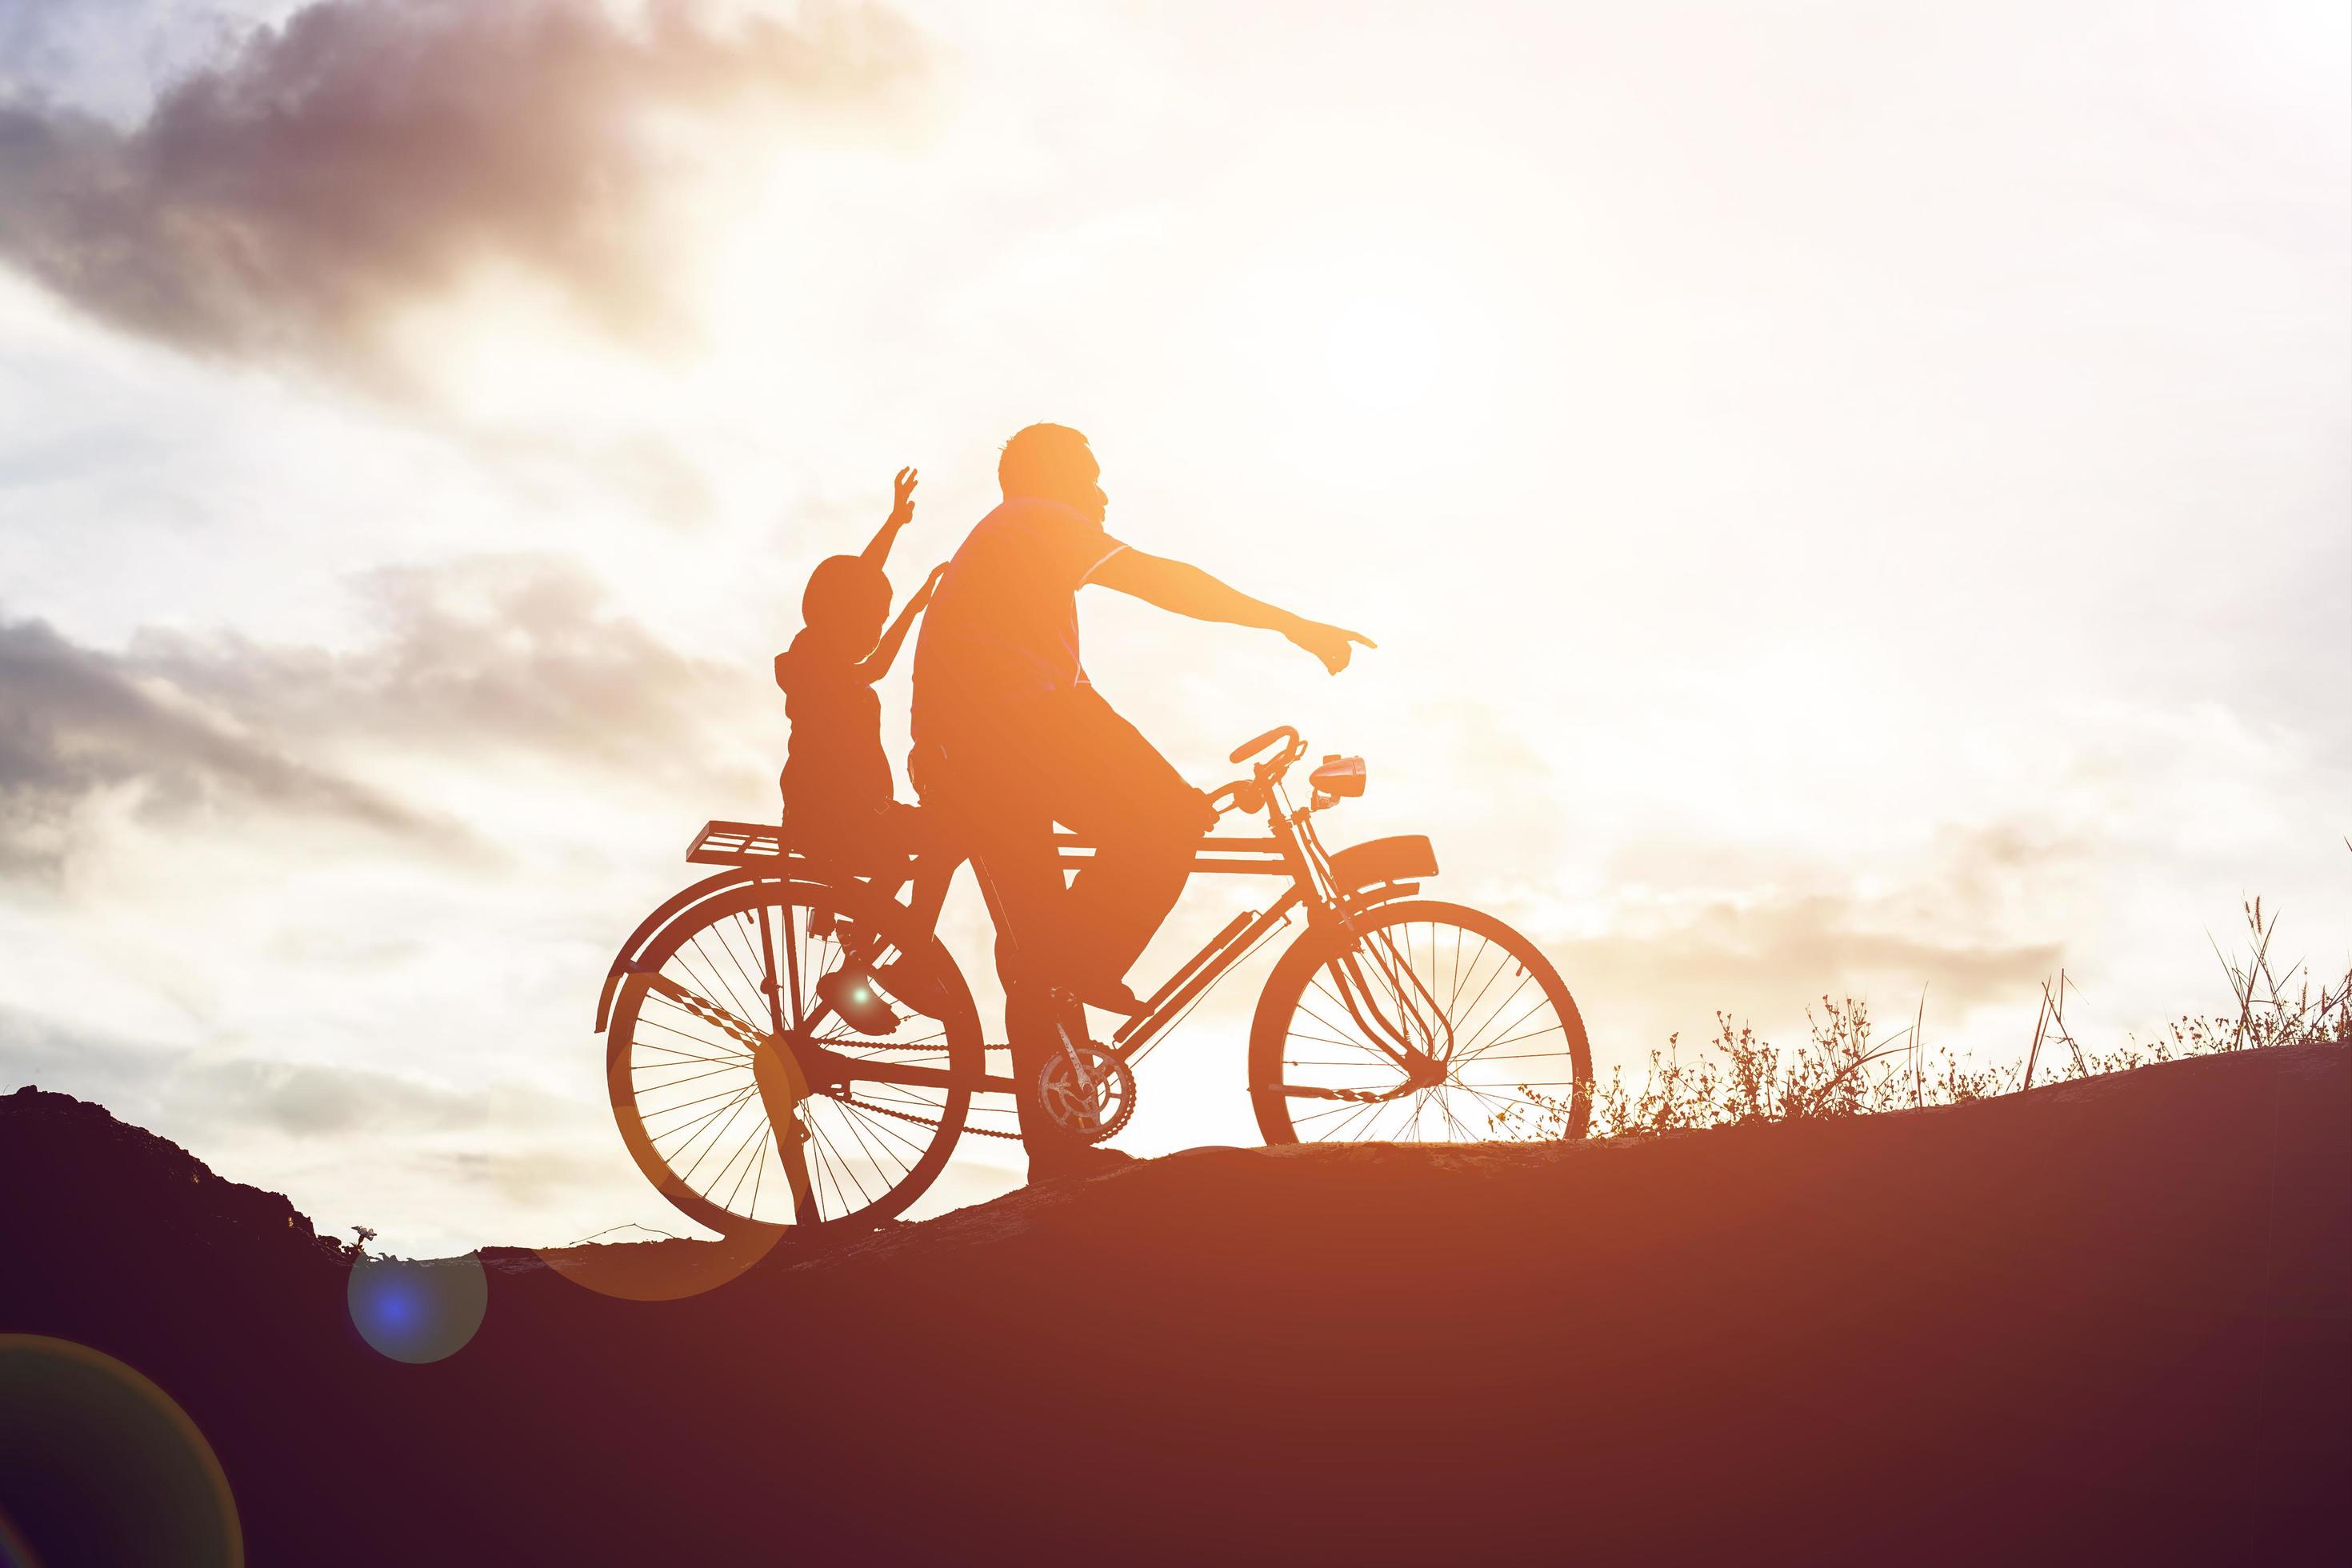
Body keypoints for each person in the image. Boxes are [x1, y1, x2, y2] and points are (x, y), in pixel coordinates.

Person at [908, 424, 1372, 1178]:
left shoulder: (1011, 545)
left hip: (978, 746)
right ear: (1051, 476)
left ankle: (1059, 1148)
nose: (1102, 493)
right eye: (1090, 476)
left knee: (1037, 946)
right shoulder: (1035, 519)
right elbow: (1167, 581)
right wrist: (1292, 623)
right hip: (1005, 736)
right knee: (1169, 821)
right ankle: (1083, 962)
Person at [775, 466, 950, 927]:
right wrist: (911, 601)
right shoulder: (816, 660)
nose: (875, 632)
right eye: (872, 620)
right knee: (949, 837)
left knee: (903, 861)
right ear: (843, 617)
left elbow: (859, 593)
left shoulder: (826, 664)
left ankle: (850, 921)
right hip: (841, 814)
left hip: (841, 811)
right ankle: (896, 943)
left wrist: (895, 528)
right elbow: (859, 582)